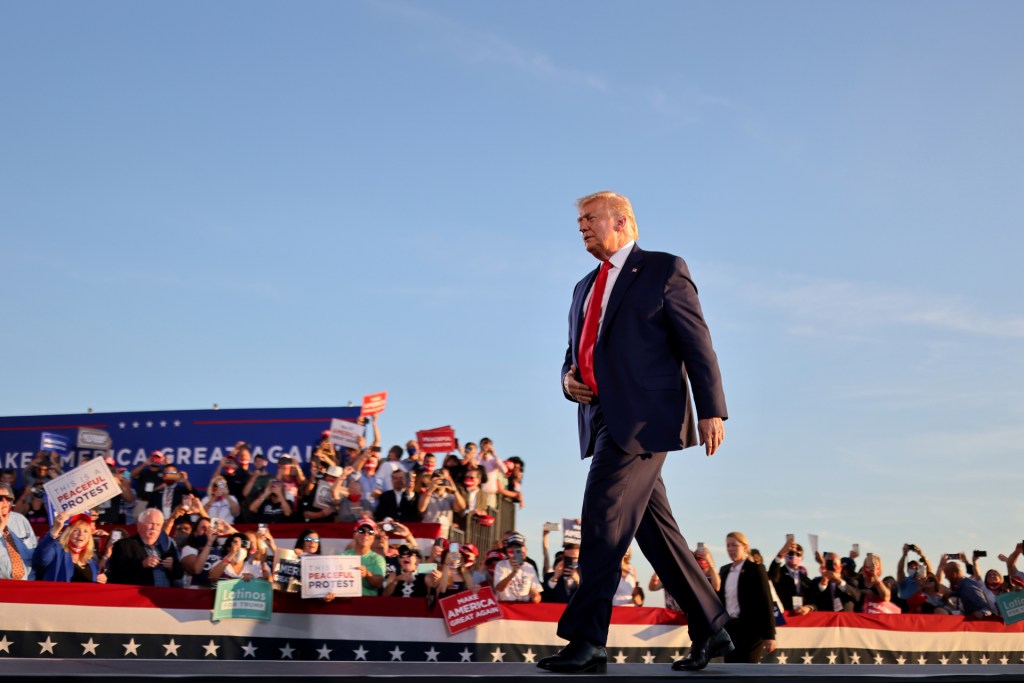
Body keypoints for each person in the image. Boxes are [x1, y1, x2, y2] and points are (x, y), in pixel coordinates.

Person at [539, 191, 731, 675]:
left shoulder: (664, 268)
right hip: (601, 415)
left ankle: (588, 640)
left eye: (590, 218)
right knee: (656, 532)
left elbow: (696, 340)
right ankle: (712, 626)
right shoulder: (584, 285)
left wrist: (712, 409)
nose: (581, 226)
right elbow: (575, 352)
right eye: (578, 220)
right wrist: (568, 380)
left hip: (646, 418)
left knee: (603, 519)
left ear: (622, 222)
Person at [715, 532, 777, 663]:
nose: (730, 549)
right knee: (730, 669)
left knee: (747, 669)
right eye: (728, 545)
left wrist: (770, 635)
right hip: (730, 629)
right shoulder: (724, 570)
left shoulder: (756, 569)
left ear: (745, 547)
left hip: (751, 631)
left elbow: (766, 602)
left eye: (734, 545)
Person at [106, 508, 184, 587]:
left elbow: (180, 574)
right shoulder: (124, 545)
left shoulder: (167, 545)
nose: (154, 528)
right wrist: (142, 564)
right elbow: (117, 575)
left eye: (158, 525)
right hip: (139, 597)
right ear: (139, 525)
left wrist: (172, 566)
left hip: (165, 596)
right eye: (151, 523)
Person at [33, 511, 108, 583]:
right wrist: (55, 530)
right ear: (68, 534)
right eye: (76, 530)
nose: (81, 534)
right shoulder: (57, 550)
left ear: (89, 537)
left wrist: (100, 579)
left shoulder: (91, 559)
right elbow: (41, 559)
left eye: (85, 531)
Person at [341, 519, 386, 596]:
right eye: (362, 531)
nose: (366, 534)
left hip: (367, 603)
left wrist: (367, 574)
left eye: (370, 532)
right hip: (346, 601)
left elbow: (379, 583)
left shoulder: (378, 559)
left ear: (373, 537)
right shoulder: (343, 556)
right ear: (354, 535)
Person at [493, 533, 542, 603]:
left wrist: (534, 596)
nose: (515, 550)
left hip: (523, 608)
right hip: (506, 607)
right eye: (512, 547)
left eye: (518, 547)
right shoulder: (501, 565)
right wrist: (513, 573)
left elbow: (538, 598)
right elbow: (499, 589)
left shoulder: (529, 567)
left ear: (524, 549)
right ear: (507, 550)